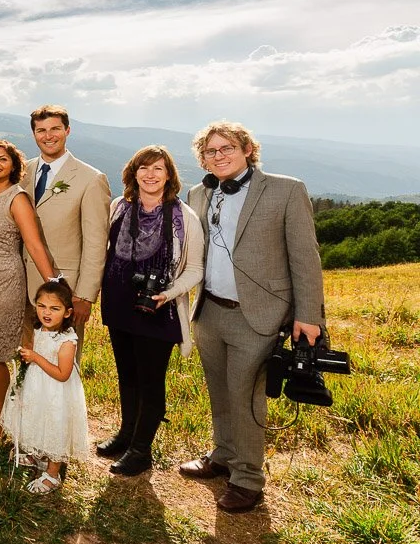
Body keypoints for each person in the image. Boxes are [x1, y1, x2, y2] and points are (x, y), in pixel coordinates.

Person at [178, 121, 325, 513]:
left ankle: (247, 479)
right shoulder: (198, 192)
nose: (218, 156)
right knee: (220, 392)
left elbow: (306, 258)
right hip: (209, 310)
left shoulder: (285, 190)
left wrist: (308, 316)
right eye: (210, 151)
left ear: (247, 149)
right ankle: (222, 455)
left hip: (258, 315)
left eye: (226, 148)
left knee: (246, 398)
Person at [97, 146, 204, 476]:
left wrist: (169, 294)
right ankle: (127, 435)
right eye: (144, 168)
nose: (150, 174)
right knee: (127, 375)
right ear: (133, 173)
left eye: (158, 168)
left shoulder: (183, 217)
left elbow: (196, 268)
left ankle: (142, 450)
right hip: (119, 305)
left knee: (150, 380)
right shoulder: (119, 207)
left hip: (158, 309)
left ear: (168, 174)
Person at [0, 140, 58, 441]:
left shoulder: (17, 199)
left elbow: (34, 244)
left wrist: (53, 285)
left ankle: (3, 421)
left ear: (13, 165)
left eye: (3, 159)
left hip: (4, 277)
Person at [21, 105, 111, 359]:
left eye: (55, 129)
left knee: (63, 365)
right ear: (34, 134)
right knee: (28, 361)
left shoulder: (90, 178)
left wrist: (84, 295)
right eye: (41, 130)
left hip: (65, 289)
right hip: (21, 287)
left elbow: (96, 243)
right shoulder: (22, 172)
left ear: (67, 130)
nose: (48, 136)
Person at [0, 280, 90, 494]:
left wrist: (36, 358)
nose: (46, 313)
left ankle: (52, 472)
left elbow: (62, 374)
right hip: (37, 387)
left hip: (56, 392)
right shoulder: (39, 329)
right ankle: (36, 453)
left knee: (53, 423)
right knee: (35, 416)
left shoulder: (67, 341)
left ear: (67, 313)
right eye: (42, 306)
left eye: (54, 308)